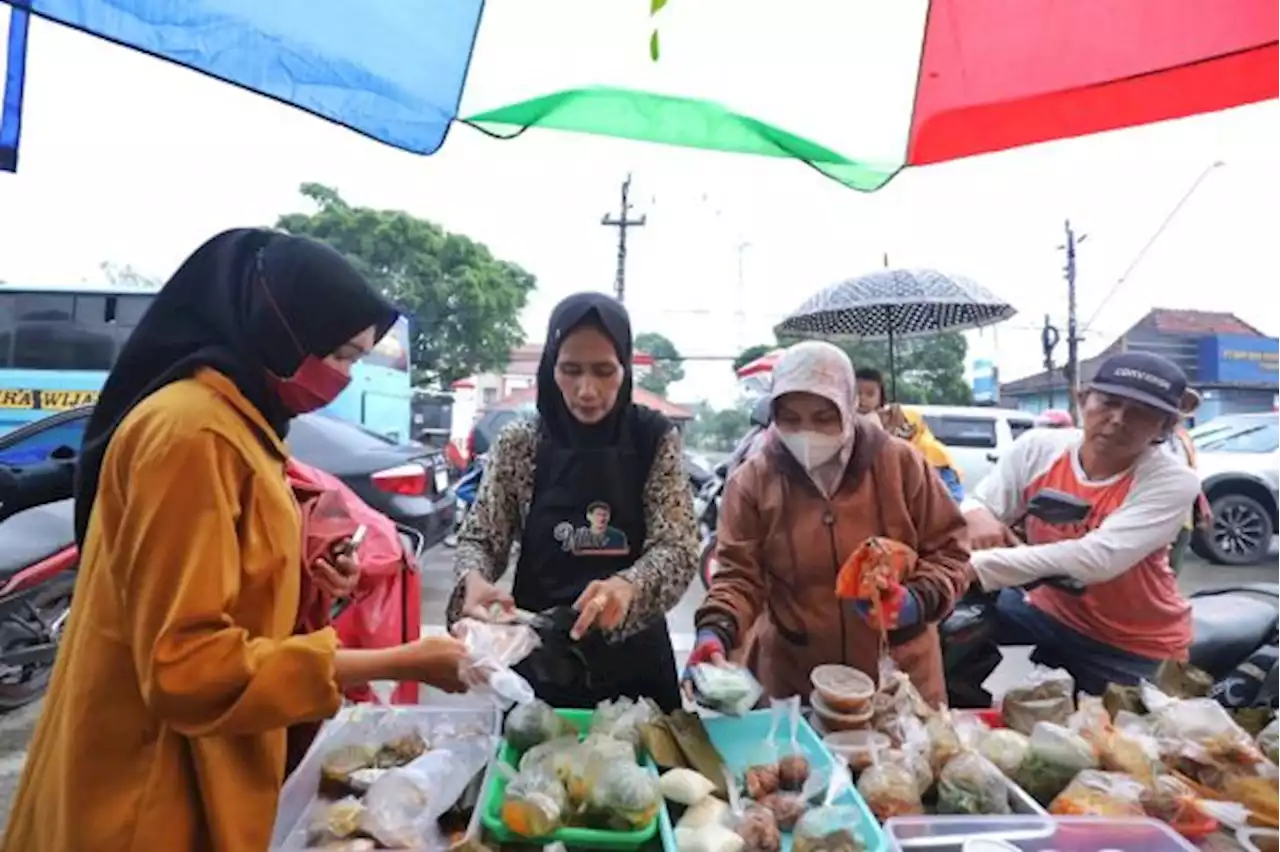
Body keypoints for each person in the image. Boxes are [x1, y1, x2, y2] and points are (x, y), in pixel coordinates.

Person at [3, 230, 471, 852]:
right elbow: (187, 667)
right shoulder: (193, 433)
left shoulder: (240, 425)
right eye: (338, 353)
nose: (344, 376)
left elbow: (219, 581)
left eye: (357, 358)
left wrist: (307, 578)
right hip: (149, 790)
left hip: (200, 762)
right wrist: (401, 661)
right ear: (279, 327)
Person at [448, 292, 698, 712]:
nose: (587, 390)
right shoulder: (521, 443)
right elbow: (482, 537)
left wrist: (628, 587)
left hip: (634, 658)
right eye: (570, 370)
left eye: (604, 371)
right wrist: (473, 578)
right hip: (539, 654)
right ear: (550, 369)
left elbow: (678, 545)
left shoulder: (652, 437)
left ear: (624, 368)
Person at [690, 342, 972, 707]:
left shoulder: (901, 466)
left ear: (850, 405)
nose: (806, 432)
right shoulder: (753, 482)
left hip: (897, 678)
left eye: (824, 417)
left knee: (903, 763)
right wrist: (716, 630)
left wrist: (917, 599)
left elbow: (950, 551)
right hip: (795, 681)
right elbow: (738, 577)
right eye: (790, 418)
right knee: (800, 765)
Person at [962, 352, 1201, 695]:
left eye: (1140, 412)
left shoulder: (1173, 481)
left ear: (1164, 426)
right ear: (1082, 400)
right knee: (947, 622)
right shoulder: (1037, 449)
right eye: (1109, 402)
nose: (1118, 419)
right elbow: (981, 501)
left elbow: (1096, 559)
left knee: (1117, 745)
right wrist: (976, 514)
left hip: (1130, 643)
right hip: (1043, 614)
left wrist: (977, 565)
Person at [1163, 390, 1210, 576]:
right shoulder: (1145, 436)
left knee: (1174, 565)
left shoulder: (1183, 437)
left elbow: (1190, 472)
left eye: (1183, 407)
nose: (1179, 411)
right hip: (1155, 512)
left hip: (1183, 515)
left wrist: (1202, 504)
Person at [883, 404, 965, 502]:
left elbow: (952, 490)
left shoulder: (932, 449)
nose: (899, 430)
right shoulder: (895, 449)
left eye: (904, 423)